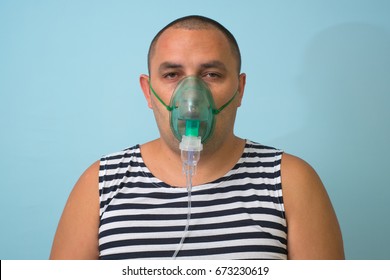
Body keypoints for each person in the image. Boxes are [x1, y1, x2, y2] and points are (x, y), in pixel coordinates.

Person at [50, 15, 344, 260]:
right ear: (147, 91)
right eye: (172, 75)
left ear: (239, 89)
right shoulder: (101, 183)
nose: (191, 97)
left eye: (212, 74)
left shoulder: (290, 181)